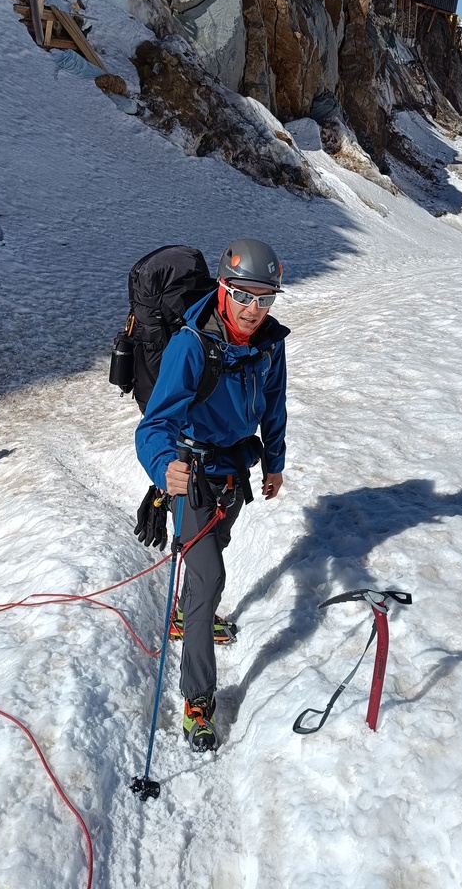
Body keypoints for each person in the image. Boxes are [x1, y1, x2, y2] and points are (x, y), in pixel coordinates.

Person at [135, 238, 289, 752]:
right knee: (211, 576)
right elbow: (154, 425)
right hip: (194, 473)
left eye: (265, 298)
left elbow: (273, 402)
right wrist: (163, 469)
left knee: (214, 553)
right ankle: (198, 697)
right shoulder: (191, 344)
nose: (253, 309)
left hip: (233, 473)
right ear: (224, 288)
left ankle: (185, 612)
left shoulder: (270, 341)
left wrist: (274, 461)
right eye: (244, 296)